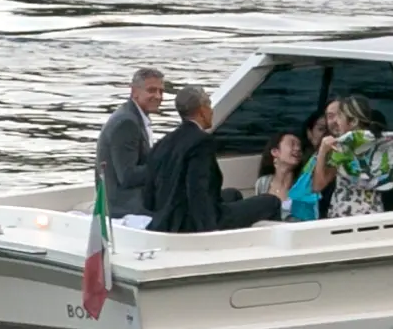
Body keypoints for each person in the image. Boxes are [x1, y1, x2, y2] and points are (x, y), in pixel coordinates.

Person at [144, 85, 281, 233]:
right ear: (202, 110)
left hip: (166, 219)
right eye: (209, 105)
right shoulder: (201, 142)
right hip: (191, 224)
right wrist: (209, 231)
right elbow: (197, 188)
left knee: (233, 194)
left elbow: (149, 197)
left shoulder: (163, 143)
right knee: (271, 202)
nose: (211, 111)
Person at [312, 94, 393, 218]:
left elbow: (317, 185)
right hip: (375, 216)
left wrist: (323, 150)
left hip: (343, 218)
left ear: (353, 121)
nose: (336, 121)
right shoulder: (385, 144)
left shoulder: (341, 147)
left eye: (339, 116)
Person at [95, 67, 164, 217]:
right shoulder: (126, 123)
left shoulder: (133, 117)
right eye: (152, 90)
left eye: (161, 91)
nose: (158, 96)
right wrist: (164, 166)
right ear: (134, 92)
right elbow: (127, 176)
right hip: (123, 207)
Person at [255, 132, 302, 221]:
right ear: (275, 152)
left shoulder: (302, 185)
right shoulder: (263, 182)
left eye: (300, 146)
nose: (298, 148)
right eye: (292, 144)